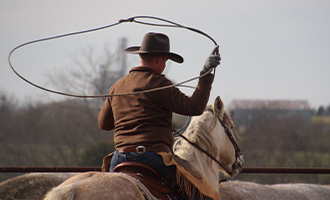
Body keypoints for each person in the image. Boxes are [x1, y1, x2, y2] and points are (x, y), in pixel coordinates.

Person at [98, 32, 220, 195]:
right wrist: (205, 72)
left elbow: (104, 124)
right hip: (152, 159)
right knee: (205, 194)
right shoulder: (159, 83)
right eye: (165, 61)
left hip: (119, 158)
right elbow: (194, 108)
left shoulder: (117, 86)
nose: (164, 65)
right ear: (158, 59)